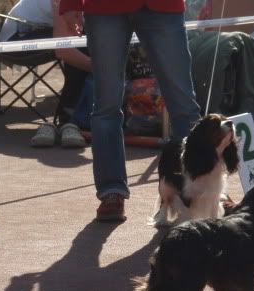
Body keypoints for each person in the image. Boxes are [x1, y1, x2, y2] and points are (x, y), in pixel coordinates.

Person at [60, 0, 201, 222]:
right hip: (104, 7)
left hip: (163, 5)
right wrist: (70, 4)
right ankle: (111, 192)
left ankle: (203, 188)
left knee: (183, 102)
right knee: (106, 106)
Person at [0, 0, 92, 148]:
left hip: (37, 29)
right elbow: (64, 51)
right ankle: (68, 120)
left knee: (83, 44)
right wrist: (103, 69)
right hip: (15, 40)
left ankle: (77, 115)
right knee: (77, 49)